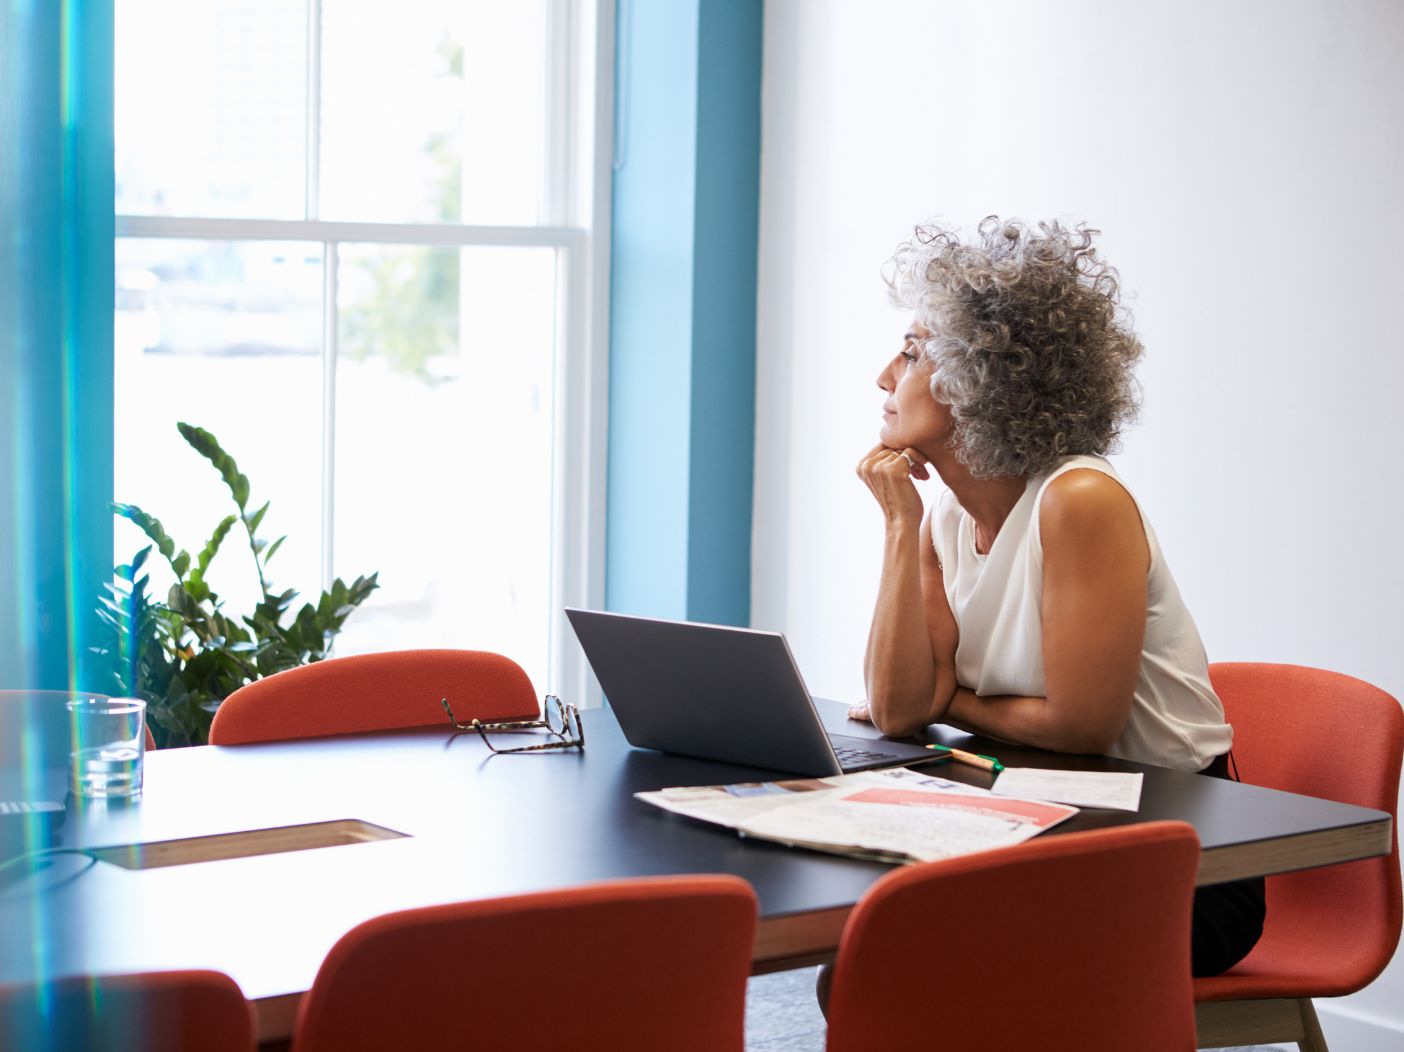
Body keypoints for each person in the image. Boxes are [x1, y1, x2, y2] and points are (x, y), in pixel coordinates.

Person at [849, 216, 1264, 979]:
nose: (884, 376)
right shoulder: (942, 515)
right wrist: (899, 526)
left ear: (984, 378)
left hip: (1181, 856)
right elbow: (900, 709)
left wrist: (955, 700)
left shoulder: (1079, 502)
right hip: (1043, 818)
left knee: (899, 964)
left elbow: (1079, 726)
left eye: (910, 352)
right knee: (866, 962)